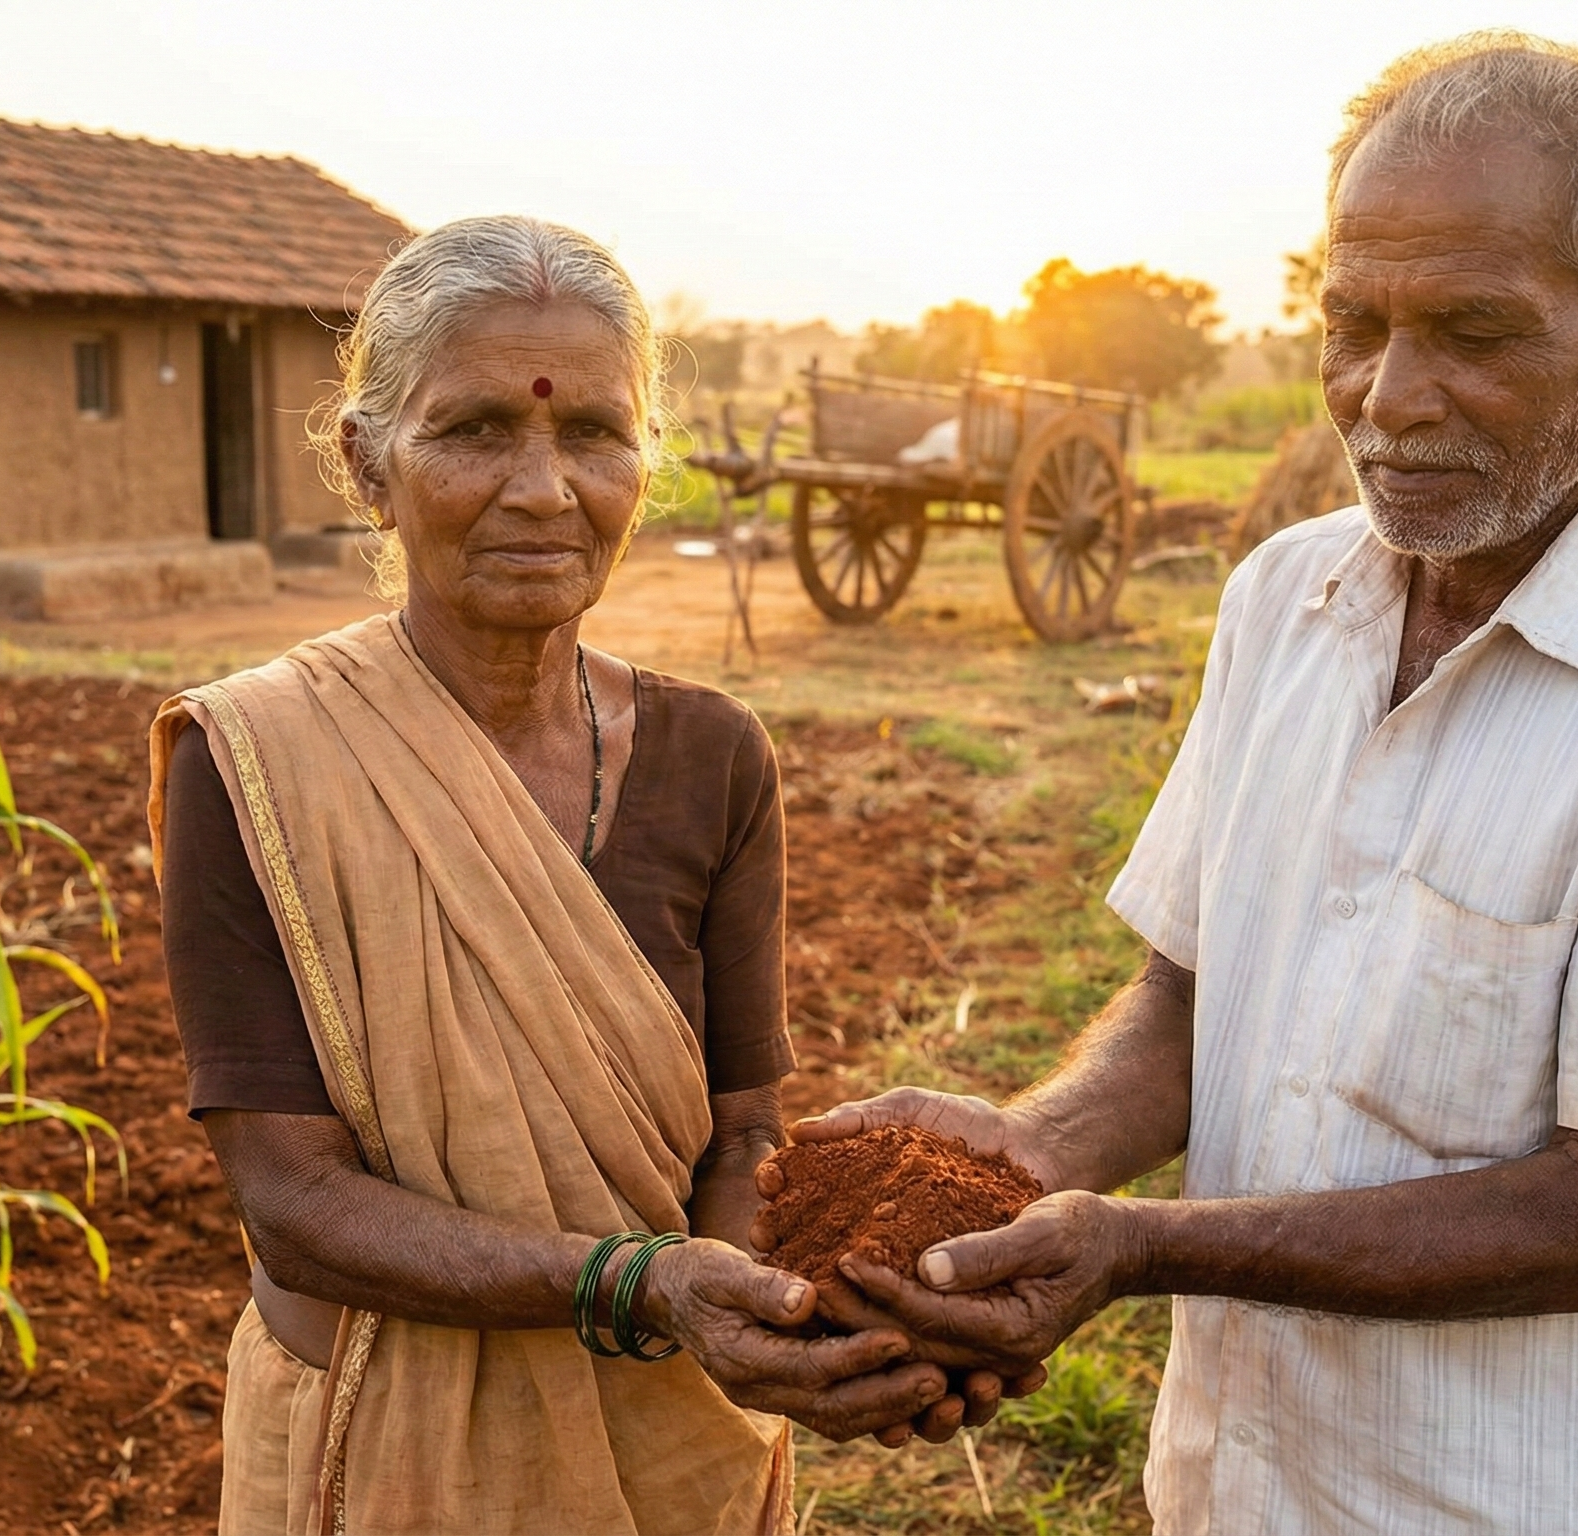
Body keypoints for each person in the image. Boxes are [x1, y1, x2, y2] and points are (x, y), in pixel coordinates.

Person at [788, 33, 1578, 1534]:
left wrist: (1134, 1249)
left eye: (1473, 330)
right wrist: (1037, 1148)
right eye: (1352, 322)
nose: (1390, 396)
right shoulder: (1285, 600)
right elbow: (1193, 995)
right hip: (1236, 1485)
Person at [150, 216, 971, 1536]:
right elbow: (292, 1204)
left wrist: (770, 1307)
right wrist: (649, 1288)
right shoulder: (259, 760)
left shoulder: (715, 758)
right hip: (379, 1448)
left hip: (665, 1442)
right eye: (477, 429)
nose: (543, 488)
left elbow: (742, 1123)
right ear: (368, 462)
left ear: (648, 464)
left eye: (593, 432)